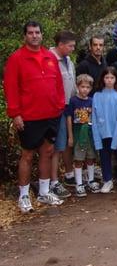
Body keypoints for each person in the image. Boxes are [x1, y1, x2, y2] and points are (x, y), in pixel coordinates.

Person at [4, 21, 66, 212]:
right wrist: (15, 114)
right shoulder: (17, 58)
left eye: (37, 32)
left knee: (47, 151)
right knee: (27, 155)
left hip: (51, 114)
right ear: (25, 36)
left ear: (41, 35)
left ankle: (44, 191)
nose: (34, 36)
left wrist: (59, 105)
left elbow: (58, 84)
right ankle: (23, 195)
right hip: (29, 116)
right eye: (30, 33)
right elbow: (10, 88)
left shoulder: (50, 56)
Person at [91, 67, 117, 194]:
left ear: (116, 79)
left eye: (112, 78)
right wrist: (97, 134)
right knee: (104, 157)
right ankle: (107, 180)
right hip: (103, 132)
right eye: (107, 77)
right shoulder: (97, 96)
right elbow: (94, 116)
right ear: (103, 79)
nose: (109, 80)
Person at [49, 31, 77, 198]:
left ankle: (68, 173)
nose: (72, 49)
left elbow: (71, 85)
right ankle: (53, 182)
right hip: (56, 108)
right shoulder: (50, 59)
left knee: (67, 142)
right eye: (70, 46)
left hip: (69, 106)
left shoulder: (68, 61)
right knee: (56, 146)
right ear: (60, 45)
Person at [66, 74, 101, 197]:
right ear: (77, 87)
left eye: (87, 87)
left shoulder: (92, 101)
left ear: (91, 89)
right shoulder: (73, 101)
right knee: (78, 158)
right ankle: (79, 183)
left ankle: (91, 180)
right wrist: (70, 136)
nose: (85, 89)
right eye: (82, 87)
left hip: (90, 134)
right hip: (78, 132)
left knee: (91, 157)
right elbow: (69, 118)